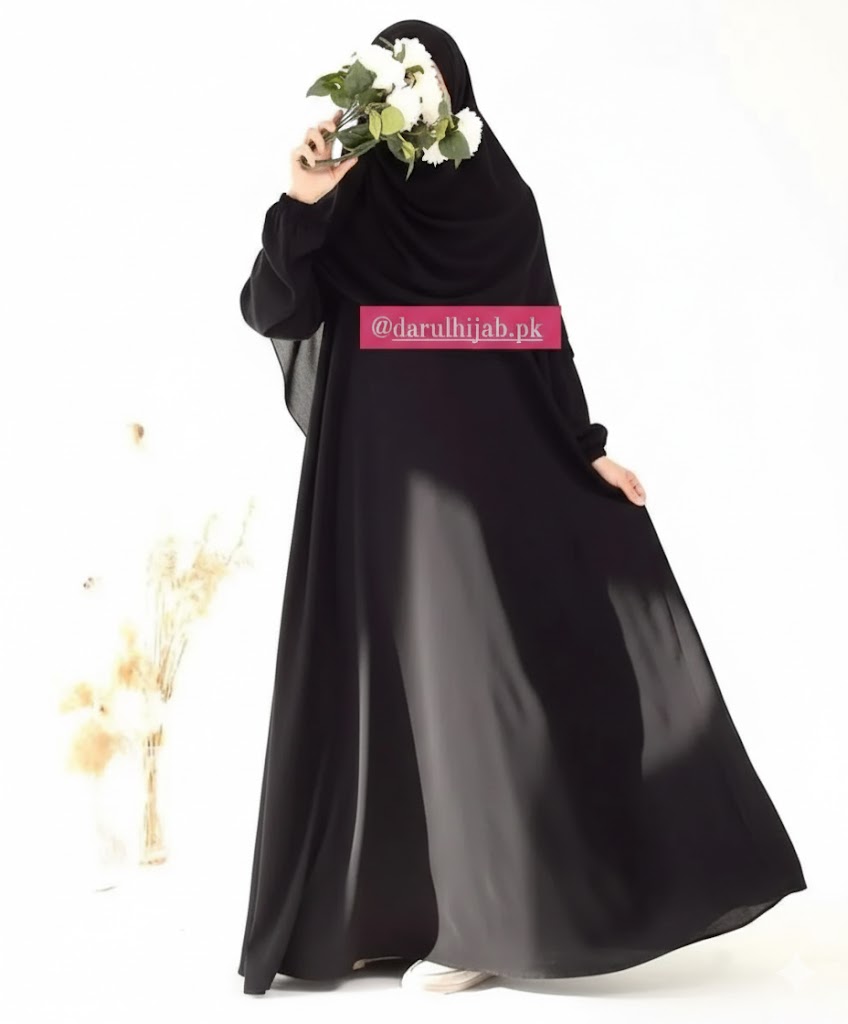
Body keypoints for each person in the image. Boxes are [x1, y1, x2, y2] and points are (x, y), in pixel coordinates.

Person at [236, 18, 807, 997]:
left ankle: (491, 921)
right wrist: (300, 203)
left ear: (452, 94)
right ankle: (378, 913)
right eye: (393, 80)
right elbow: (273, 312)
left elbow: (539, 332)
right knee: (382, 682)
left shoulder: (500, 201)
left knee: (481, 681)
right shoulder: (348, 194)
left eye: (421, 80)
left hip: (489, 464)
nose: (407, 98)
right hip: (375, 476)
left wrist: (586, 449)